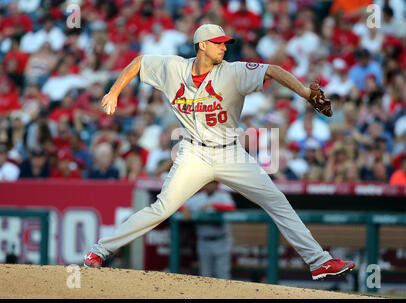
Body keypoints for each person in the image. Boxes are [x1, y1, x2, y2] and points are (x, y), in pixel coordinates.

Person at [84, 24, 355, 280]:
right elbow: (140, 62)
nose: (224, 48)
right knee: (162, 208)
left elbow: (271, 70)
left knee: (276, 200)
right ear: (202, 45)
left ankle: (319, 262)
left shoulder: (233, 72)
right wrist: (114, 92)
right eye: (218, 43)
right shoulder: (174, 67)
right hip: (194, 153)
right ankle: (100, 250)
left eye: (225, 44)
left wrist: (307, 93)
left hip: (230, 153)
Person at [181, 181, 235, 279]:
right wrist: (184, 209)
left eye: (213, 183)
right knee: (205, 275)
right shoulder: (198, 198)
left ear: (216, 184)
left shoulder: (223, 196)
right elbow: (179, 205)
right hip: (204, 240)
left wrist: (214, 206)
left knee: (223, 275)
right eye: (208, 183)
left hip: (221, 240)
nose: (210, 185)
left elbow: (231, 207)